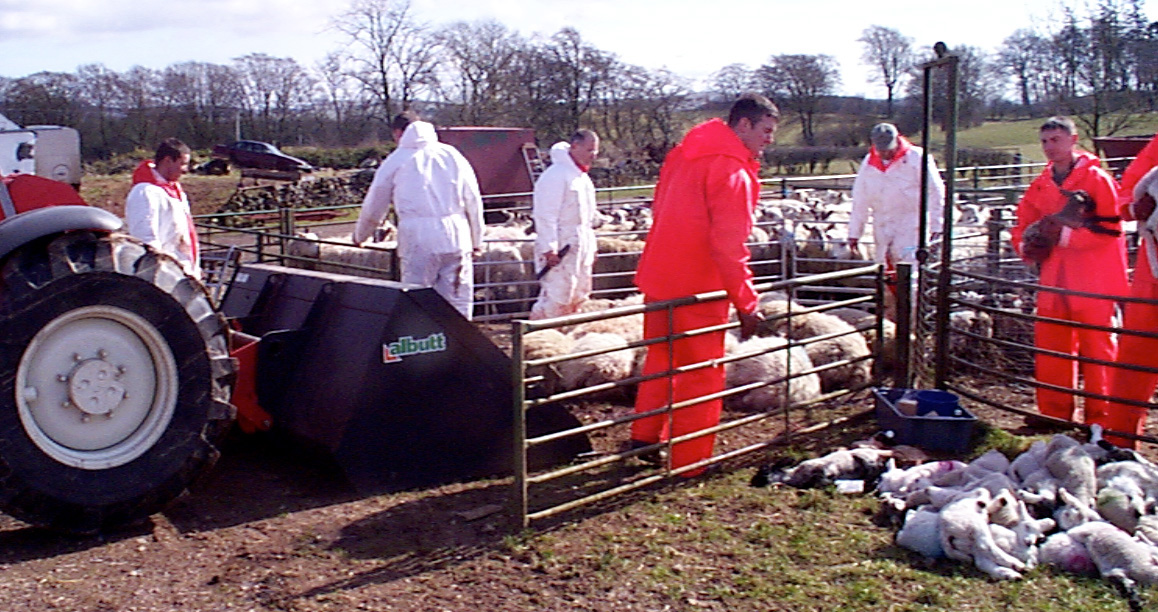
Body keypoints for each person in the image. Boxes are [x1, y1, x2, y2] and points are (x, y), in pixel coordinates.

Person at [630, 93, 778, 475]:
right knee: (701, 372)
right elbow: (729, 247)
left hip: (660, 277)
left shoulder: (683, 154)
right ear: (743, 124)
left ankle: (643, 439)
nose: (770, 139)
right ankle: (690, 461)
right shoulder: (732, 172)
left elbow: (659, 208)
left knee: (661, 361)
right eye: (766, 130)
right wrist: (746, 302)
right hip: (699, 285)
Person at [1010, 116, 1128, 428]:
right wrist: (1025, 245)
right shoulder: (1043, 181)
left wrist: (1061, 237)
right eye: (1045, 141)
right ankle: (1054, 414)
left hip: (1092, 279)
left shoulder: (1097, 179)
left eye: (1056, 140)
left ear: (1073, 140)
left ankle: (1103, 420)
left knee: (1098, 351)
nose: (1049, 147)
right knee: (1051, 347)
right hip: (1054, 277)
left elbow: (1111, 229)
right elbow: (1024, 219)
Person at [353, 111, 484, 319]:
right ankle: (461, 345)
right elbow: (473, 200)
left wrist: (361, 235)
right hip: (457, 233)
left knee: (417, 297)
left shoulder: (397, 159)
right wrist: (477, 240)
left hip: (418, 237)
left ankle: (423, 343)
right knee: (458, 297)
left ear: (398, 133)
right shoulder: (452, 155)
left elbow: (375, 203)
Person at [1105, 133, 1158, 447]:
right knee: (1135, 357)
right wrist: (1134, 206)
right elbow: (1127, 193)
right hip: (1152, 268)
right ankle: (1120, 440)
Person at [848, 122, 945, 268]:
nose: (885, 153)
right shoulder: (869, 163)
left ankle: (912, 291)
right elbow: (860, 198)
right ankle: (887, 291)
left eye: (888, 148)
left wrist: (936, 226)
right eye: (881, 149)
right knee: (883, 269)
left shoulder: (917, 157)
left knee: (910, 267)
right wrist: (855, 232)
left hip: (911, 223)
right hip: (881, 223)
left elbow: (935, 191)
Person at [530, 129, 599, 319]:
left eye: (595, 150)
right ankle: (538, 339)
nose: (593, 155)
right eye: (589, 150)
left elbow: (587, 218)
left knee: (578, 294)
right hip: (562, 245)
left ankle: (566, 337)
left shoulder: (582, 178)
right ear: (574, 146)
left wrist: (591, 247)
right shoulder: (555, 175)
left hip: (580, 243)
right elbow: (545, 215)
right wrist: (549, 247)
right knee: (556, 295)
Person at [125, 137, 200, 278]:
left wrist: (194, 267)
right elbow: (145, 238)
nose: (186, 170)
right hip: (165, 274)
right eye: (183, 164)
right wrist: (158, 273)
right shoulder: (145, 192)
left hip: (182, 271)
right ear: (167, 161)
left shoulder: (174, 190)